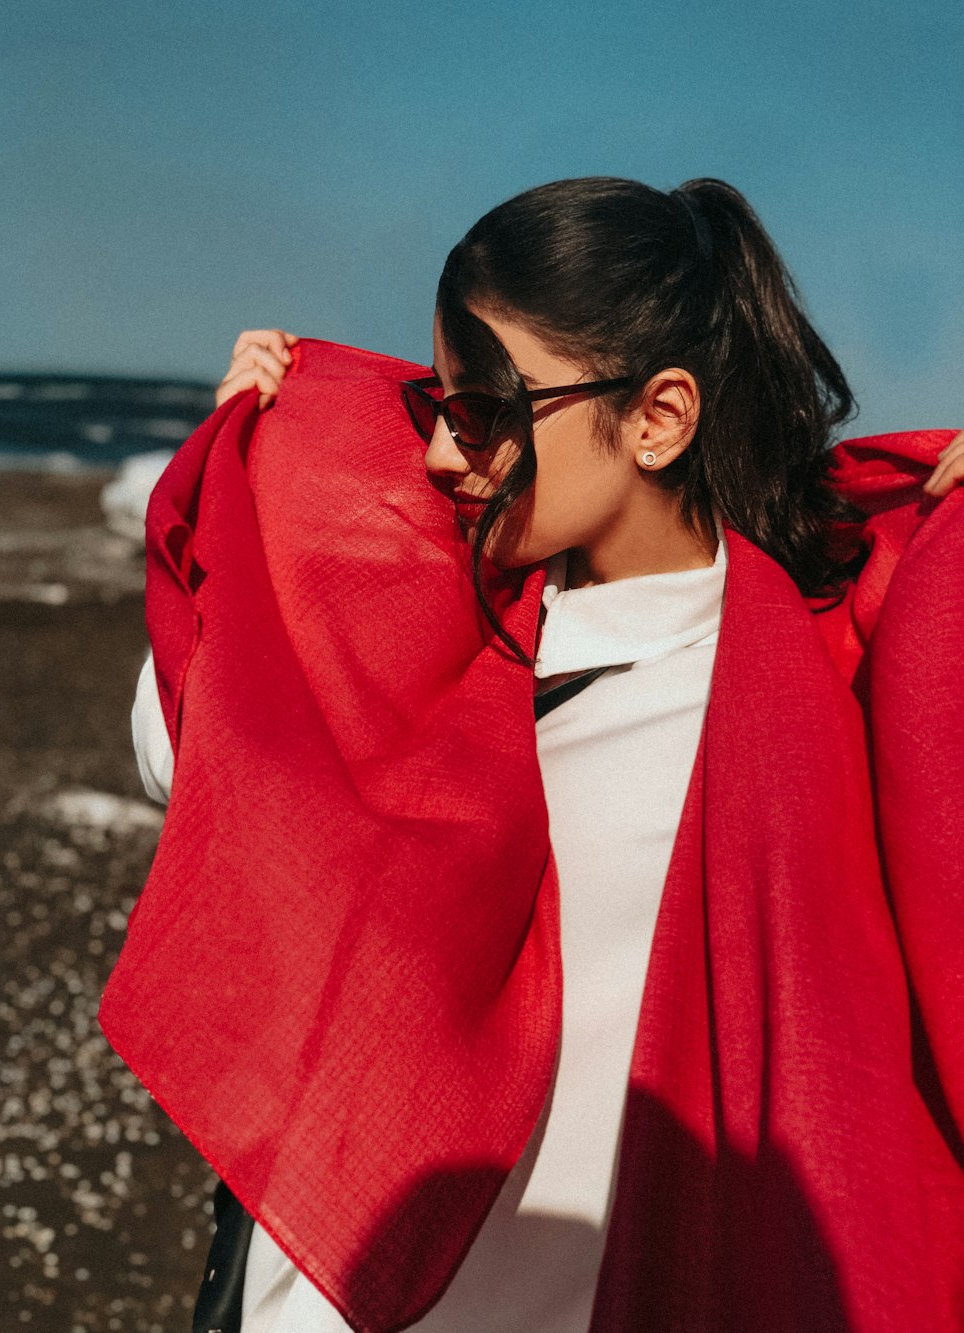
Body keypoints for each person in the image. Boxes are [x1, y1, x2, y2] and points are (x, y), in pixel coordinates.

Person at [105, 178, 964, 1333]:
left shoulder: (810, 688)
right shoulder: (451, 608)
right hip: (315, 1283)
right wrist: (252, 496)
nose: (450, 462)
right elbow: (186, 758)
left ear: (658, 417)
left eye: (491, 412)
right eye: (438, 409)